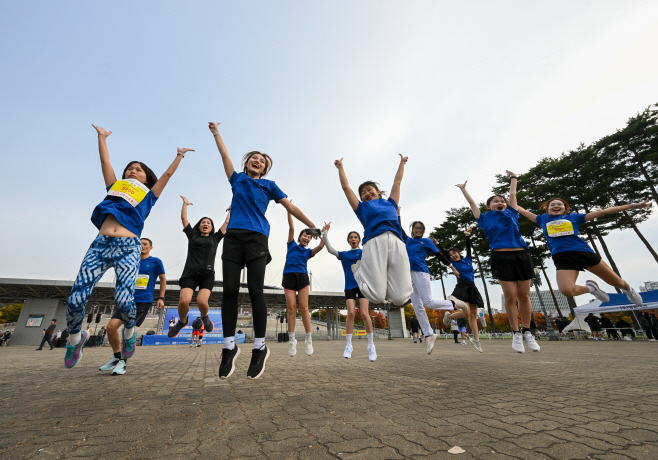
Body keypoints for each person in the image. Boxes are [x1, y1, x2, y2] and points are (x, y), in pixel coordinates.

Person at [64, 125, 189, 369]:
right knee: (75, 299)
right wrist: (102, 138)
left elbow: (166, 176)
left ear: (146, 177)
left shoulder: (148, 195)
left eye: (138, 169)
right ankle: (75, 340)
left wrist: (179, 156)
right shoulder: (115, 187)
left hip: (128, 247)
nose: (133, 171)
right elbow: (104, 162)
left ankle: (129, 333)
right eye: (129, 169)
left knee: (124, 299)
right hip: (100, 245)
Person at [209, 122, 319, 380]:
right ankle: (229, 347)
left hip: (257, 239)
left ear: (265, 168)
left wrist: (311, 226)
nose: (257, 162)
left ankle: (260, 346)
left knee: (256, 291)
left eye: (261, 161)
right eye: (253, 159)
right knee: (230, 291)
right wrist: (216, 133)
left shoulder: (269, 186)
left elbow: (290, 207)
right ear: (246, 164)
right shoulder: (237, 180)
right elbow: (225, 156)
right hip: (233, 238)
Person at [457, 172, 539, 353]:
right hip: (501, 257)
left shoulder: (512, 212)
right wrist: (464, 190)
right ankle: (516, 333)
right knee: (510, 297)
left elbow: (513, 196)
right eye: (495, 201)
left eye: (502, 200)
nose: (500, 202)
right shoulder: (484, 218)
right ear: (488, 206)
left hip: (521, 255)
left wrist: (514, 179)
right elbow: (472, 204)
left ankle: (527, 332)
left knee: (524, 296)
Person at [517, 197, 649, 308]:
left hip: (583, 252)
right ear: (547, 209)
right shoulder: (543, 219)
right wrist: (507, 196)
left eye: (559, 204)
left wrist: (633, 205)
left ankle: (629, 291)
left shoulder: (575, 217)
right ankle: (592, 289)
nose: (556, 206)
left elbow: (604, 212)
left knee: (617, 282)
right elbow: (521, 210)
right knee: (567, 290)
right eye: (552, 205)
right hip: (562, 257)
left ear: (565, 209)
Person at [333, 155, 412, 307]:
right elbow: (346, 188)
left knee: (400, 298)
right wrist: (341, 168)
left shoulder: (390, 203)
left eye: (369, 189)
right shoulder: (361, 208)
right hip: (374, 242)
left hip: (396, 242)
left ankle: (388, 284)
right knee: (376, 297)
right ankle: (358, 270)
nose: (366, 192)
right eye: (363, 193)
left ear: (378, 191)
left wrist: (402, 163)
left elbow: (397, 182)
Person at [399, 210, 467, 355]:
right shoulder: (408, 241)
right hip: (408, 275)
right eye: (416, 228)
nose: (418, 230)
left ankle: (453, 304)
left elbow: (439, 255)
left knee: (428, 303)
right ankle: (429, 334)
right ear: (412, 230)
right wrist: (397, 213)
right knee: (417, 306)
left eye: (421, 228)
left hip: (421, 273)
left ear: (423, 231)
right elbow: (399, 228)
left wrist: (452, 267)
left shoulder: (427, 242)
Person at [99, 237, 166, 375]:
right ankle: (117, 356)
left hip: (143, 300)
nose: (142, 246)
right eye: (139, 244)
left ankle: (123, 362)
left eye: (145, 244)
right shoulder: (129, 260)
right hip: (126, 299)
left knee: (127, 329)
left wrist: (161, 297)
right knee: (111, 327)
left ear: (150, 247)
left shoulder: (155, 261)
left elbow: (163, 278)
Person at [168, 196, 230, 338]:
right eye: (203, 222)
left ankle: (205, 316)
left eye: (208, 222)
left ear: (211, 227)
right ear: (199, 225)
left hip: (207, 275)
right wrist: (185, 205)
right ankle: (182, 321)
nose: (205, 224)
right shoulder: (192, 236)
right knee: (184, 301)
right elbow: (184, 219)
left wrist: (231, 210)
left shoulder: (215, 238)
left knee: (202, 301)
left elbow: (227, 222)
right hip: (189, 274)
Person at [323, 226, 377, 360]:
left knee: (365, 313)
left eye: (355, 237)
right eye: (351, 237)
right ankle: (348, 345)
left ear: (359, 240)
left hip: (363, 286)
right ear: (348, 240)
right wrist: (324, 235)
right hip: (349, 286)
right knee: (351, 313)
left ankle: (371, 346)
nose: (353, 239)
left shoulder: (365, 253)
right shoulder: (345, 255)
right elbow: (330, 250)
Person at [283, 210, 327, 357]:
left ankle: (309, 339)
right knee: (291, 308)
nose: (306, 238)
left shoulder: (308, 252)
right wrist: (289, 211)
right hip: (289, 277)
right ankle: (291, 340)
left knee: (303, 307)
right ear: (300, 237)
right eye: (304, 235)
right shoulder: (291, 245)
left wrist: (323, 233)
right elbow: (291, 228)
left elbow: (321, 246)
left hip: (302, 278)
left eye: (309, 237)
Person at [437, 227, 485, 353]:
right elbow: (443, 254)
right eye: (451, 255)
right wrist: (438, 245)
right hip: (462, 287)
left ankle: (476, 340)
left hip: (472, 288)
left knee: (473, 316)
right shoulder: (453, 264)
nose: (453, 255)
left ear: (459, 253)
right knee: (467, 313)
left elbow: (469, 247)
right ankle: (450, 315)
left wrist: (467, 235)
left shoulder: (468, 260)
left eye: (455, 253)